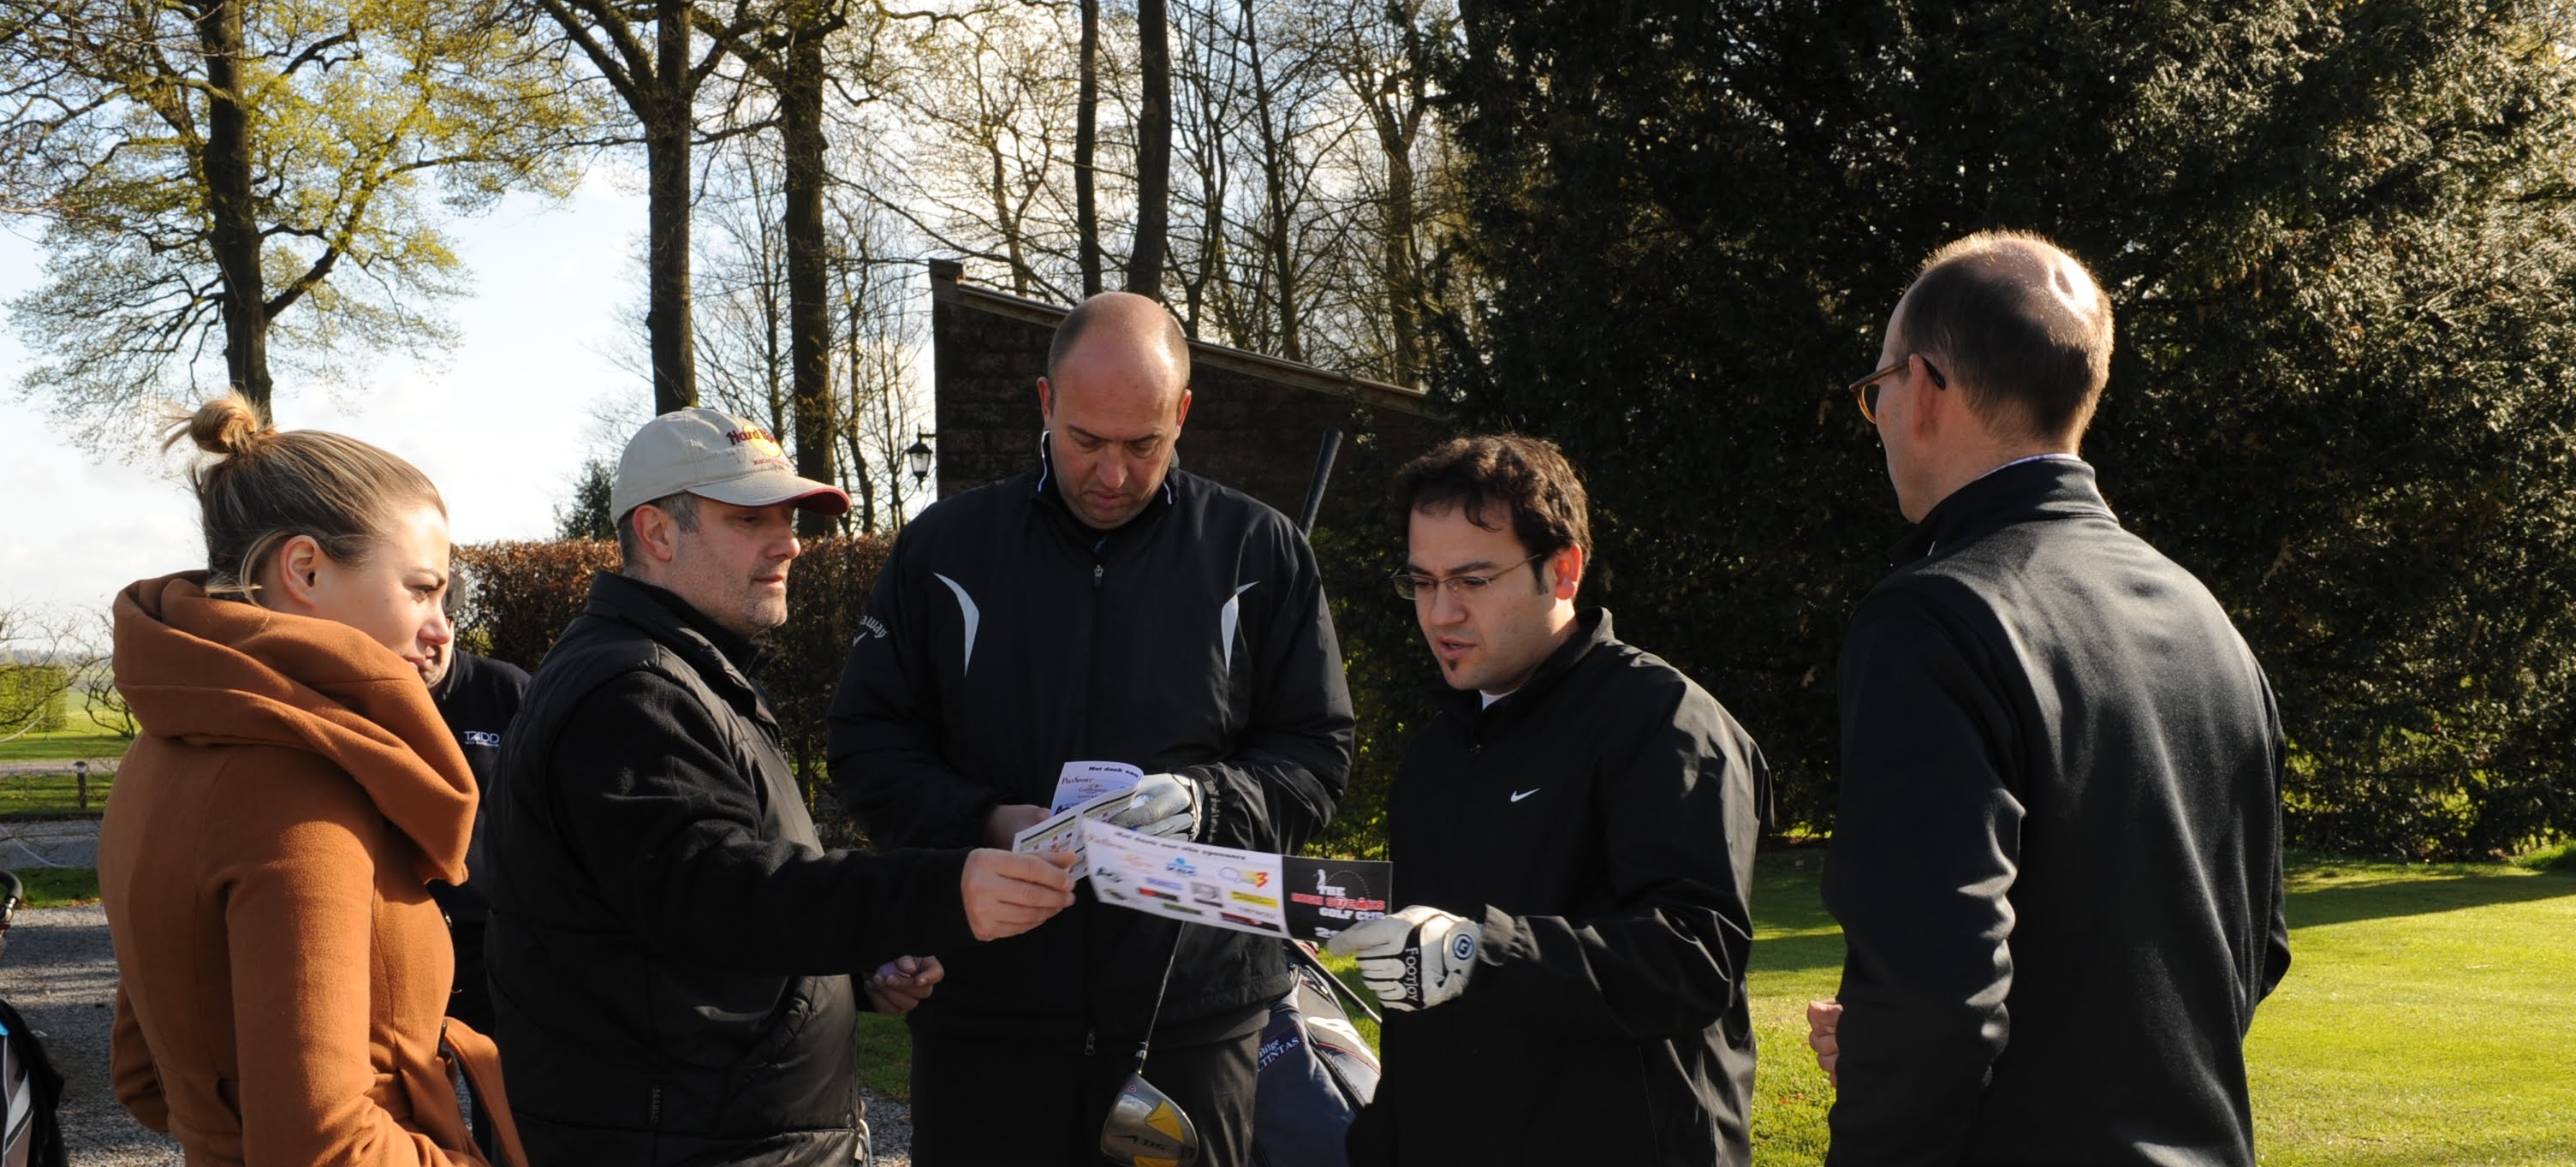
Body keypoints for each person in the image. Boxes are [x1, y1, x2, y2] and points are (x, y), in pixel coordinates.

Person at [827, 291, 1356, 1167]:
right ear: (1045, 403)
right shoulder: (944, 549)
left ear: (1182, 414)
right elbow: (866, 743)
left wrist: (1203, 803)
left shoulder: (1258, 551)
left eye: (1142, 444)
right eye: (1085, 440)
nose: (1111, 473)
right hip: (988, 1016)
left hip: (1195, 1021)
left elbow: (1316, 755)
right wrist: (985, 820)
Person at [477, 408, 1079, 1167]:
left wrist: (855, 968)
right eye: (749, 518)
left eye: (788, 517)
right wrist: (943, 889)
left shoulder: (680, 672)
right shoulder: (632, 694)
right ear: (657, 533)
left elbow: (682, 927)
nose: (789, 542)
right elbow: (726, 893)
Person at [1807, 231, 2290, 1164]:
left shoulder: (1934, 618)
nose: (1880, 416)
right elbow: (2248, 949)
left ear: (1925, 386)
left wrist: (1897, 1060)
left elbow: (1936, 995)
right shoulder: (2206, 620)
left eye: (1877, 387)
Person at [101, 393, 525, 1166]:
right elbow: (322, 1145)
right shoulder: (301, 793)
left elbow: (144, 1077)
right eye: (421, 588)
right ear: (304, 569)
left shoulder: (162, 747)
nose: (442, 627)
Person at [1326, 434, 1770, 1166]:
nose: (1441, 613)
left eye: (1472, 580)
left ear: (1563, 570)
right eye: (1423, 582)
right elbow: (1418, 998)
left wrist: (1482, 951)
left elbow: (1696, 956)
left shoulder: (1664, 721)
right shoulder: (1436, 751)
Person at [419, 583, 531, 1037]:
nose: (427, 643)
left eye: (440, 625)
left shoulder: (506, 689)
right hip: (408, 931)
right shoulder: (370, 699)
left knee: (497, 1069)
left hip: (494, 938)